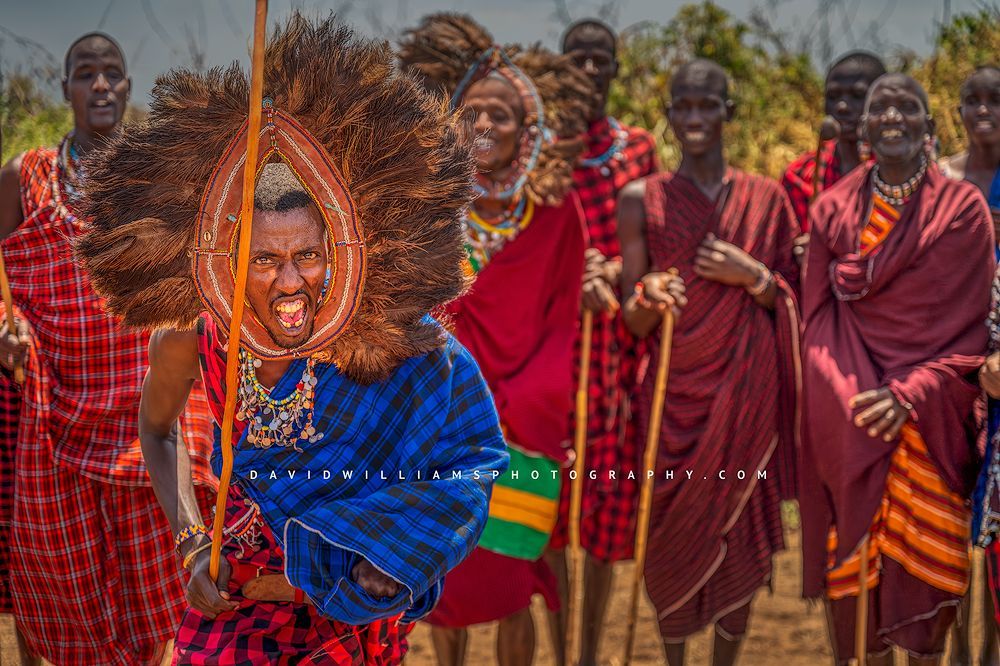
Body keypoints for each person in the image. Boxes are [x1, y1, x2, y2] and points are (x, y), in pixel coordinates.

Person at [75, 15, 508, 664]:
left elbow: (470, 456)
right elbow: (158, 429)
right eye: (263, 259)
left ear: (337, 250)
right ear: (229, 258)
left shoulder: (386, 341)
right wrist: (192, 539)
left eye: (307, 255)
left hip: (348, 611)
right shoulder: (196, 333)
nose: (288, 282)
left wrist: (388, 550)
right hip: (237, 605)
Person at [0, 32, 215, 665]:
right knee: (59, 579)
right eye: (84, 73)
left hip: (148, 403)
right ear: (65, 89)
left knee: (165, 576)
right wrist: (5, 318)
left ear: (126, 89)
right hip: (55, 403)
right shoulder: (26, 177)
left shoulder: (158, 178)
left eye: (111, 73)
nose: (99, 85)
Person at [398, 13, 590, 666]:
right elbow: (412, 318)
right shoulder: (427, 211)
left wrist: (524, 407)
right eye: (472, 113)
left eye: (501, 116)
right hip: (443, 428)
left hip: (523, 433)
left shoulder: (559, 218)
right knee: (445, 584)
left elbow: (563, 325)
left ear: (527, 131)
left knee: (512, 582)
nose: (484, 127)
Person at [800, 73, 994, 666]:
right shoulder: (832, 210)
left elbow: (969, 332)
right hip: (855, 420)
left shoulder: (963, 210)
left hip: (931, 420)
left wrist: (909, 393)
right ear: (863, 129)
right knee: (860, 593)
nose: (893, 117)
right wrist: (855, 399)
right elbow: (816, 324)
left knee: (924, 590)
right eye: (880, 108)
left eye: (907, 107)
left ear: (929, 127)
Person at [617, 59, 800, 666]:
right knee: (668, 539)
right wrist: (650, 296)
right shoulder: (642, 198)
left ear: (729, 112)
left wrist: (755, 276)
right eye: (683, 107)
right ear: (668, 116)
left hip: (746, 397)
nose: (695, 118)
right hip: (671, 402)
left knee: (738, 534)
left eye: (707, 106)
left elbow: (793, 301)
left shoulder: (767, 200)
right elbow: (632, 315)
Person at [546, 18, 658, 666]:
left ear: (616, 71)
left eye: (601, 60)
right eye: (577, 60)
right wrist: (572, 275)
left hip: (618, 354)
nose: (589, 71)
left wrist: (612, 271)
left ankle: (589, 654)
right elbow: (515, 247)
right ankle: (563, 651)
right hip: (556, 352)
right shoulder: (537, 154)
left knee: (606, 504)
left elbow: (661, 233)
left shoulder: (637, 150)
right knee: (555, 511)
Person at [954, 66, 1000, 666]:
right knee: (951, 514)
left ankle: (991, 650)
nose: (984, 108)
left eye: (997, 98)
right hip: (952, 368)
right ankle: (958, 652)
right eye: (973, 99)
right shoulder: (943, 182)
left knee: (994, 528)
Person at [782, 51, 887, 230]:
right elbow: (785, 248)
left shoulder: (901, 171)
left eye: (858, 95)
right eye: (833, 96)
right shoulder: (800, 175)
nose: (842, 106)